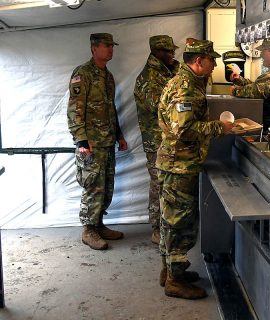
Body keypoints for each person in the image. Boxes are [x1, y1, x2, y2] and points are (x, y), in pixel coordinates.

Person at [156, 38, 233, 299]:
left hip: (176, 162)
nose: (214, 65)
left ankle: (169, 271)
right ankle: (175, 281)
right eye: (212, 60)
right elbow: (184, 129)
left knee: (170, 220)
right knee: (180, 223)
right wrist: (218, 128)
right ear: (199, 61)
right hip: (179, 165)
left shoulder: (185, 81)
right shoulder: (186, 87)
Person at [67, 33, 128, 250]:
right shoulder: (83, 74)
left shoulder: (108, 76)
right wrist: (81, 140)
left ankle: (99, 224)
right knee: (93, 186)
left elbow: (111, 109)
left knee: (106, 186)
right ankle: (88, 230)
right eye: (106, 46)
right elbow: (74, 110)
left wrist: (119, 135)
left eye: (112, 45)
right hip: (91, 143)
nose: (111, 50)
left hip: (107, 141)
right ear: (94, 48)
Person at [134, 35, 179, 245]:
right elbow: (160, 107)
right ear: (157, 52)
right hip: (156, 141)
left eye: (173, 51)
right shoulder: (149, 78)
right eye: (168, 52)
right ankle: (156, 227)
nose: (172, 55)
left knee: (168, 184)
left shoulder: (166, 72)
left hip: (167, 140)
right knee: (158, 184)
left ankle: (167, 225)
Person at [230, 38, 270, 129]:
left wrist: (235, 90)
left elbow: (255, 91)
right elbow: (260, 86)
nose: (261, 54)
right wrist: (240, 80)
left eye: (263, 50)